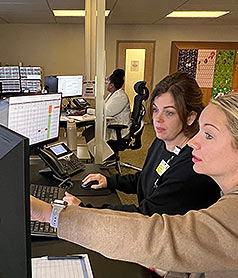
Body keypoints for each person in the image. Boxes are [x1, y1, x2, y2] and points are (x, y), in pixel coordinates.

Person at [31, 92, 238, 278]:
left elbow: (163, 236)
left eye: (209, 134)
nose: (194, 142)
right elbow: (218, 259)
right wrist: (165, 268)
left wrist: (49, 214)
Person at [72, 72, 221, 216]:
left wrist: (85, 212)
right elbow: (146, 179)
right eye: (156, 110)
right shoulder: (162, 142)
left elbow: (146, 215)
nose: (157, 119)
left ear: (190, 117)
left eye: (169, 112)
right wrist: (110, 181)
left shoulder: (192, 168)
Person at [83, 68, 131, 142]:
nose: (105, 84)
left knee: (88, 134)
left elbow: (107, 112)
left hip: (117, 129)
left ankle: (102, 153)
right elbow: (104, 109)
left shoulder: (120, 97)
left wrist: (88, 110)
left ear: (111, 85)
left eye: (106, 82)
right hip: (110, 125)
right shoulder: (113, 94)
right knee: (88, 133)